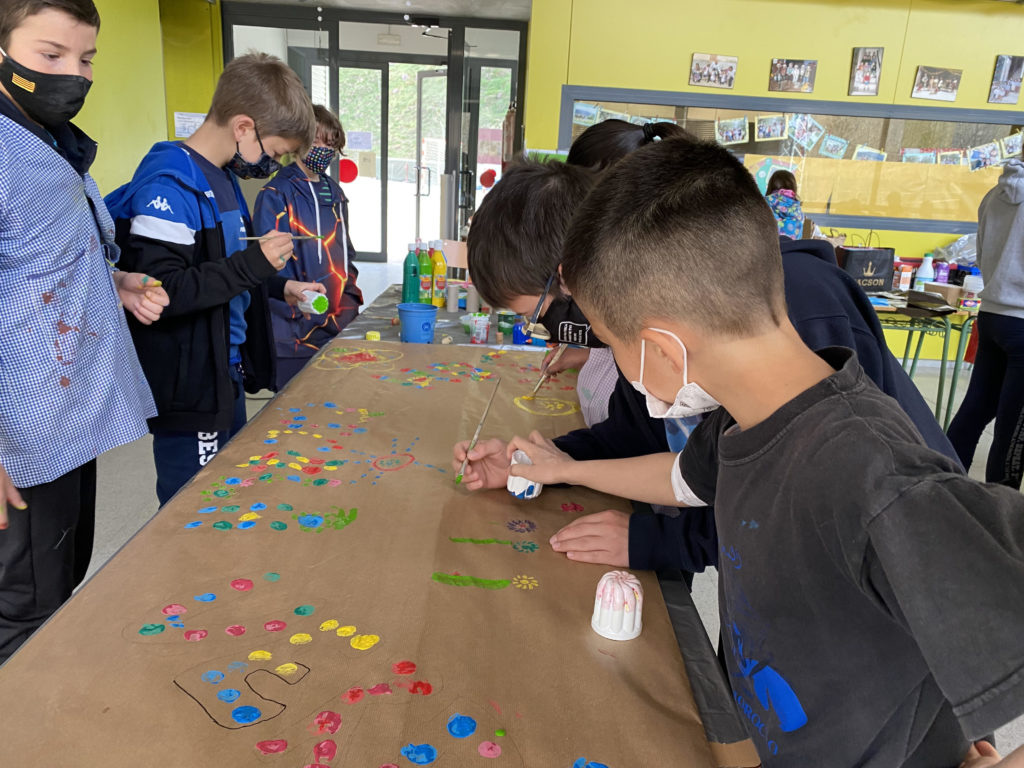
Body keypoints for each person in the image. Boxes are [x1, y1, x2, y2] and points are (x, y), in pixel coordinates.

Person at [501, 137, 1024, 768]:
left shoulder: (870, 474)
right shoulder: (743, 421)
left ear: (664, 348)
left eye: (614, 344)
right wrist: (562, 467)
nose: (618, 363)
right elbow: (679, 479)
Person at [457, 154, 958, 575]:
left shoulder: (796, 323)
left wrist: (662, 541)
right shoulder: (683, 372)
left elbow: (800, 505)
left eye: (538, 316)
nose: (552, 334)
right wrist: (552, 465)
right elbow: (682, 468)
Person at [0, 0, 167, 663]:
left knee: (62, 585)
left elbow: (42, 257)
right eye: (50, 55)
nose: (75, 74)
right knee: (26, 610)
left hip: (67, 421)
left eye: (87, 58)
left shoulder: (47, 140)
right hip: (22, 436)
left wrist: (112, 281)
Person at [106, 53, 323, 506]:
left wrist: (282, 286)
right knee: (193, 507)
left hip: (224, 368)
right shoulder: (169, 186)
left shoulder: (222, 178)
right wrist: (254, 264)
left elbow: (223, 266)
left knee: (225, 497)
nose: (272, 164)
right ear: (243, 127)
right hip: (191, 384)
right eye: (273, 152)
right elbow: (163, 291)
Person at [253, 104, 363, 389]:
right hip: (293, 331)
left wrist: (349, 302)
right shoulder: (276, 194)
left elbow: (345, 253)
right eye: (316, 142)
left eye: (330, 144)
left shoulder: (335, 193)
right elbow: (267, 269)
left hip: (336, 323)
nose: (323, 150)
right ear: (298, 141)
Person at [947, 156, 1024, 489]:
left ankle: (941, 489)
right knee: (1012, 432)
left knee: (974, 410)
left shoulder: (996, 194)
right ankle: (1000, 511)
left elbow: (981, 254)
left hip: (992, 315)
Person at [765, 169, 804, 239]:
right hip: (791, 244)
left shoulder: (765, 201)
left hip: (768, 242)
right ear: (793, 187)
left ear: (770, 186)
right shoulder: (797, 207)